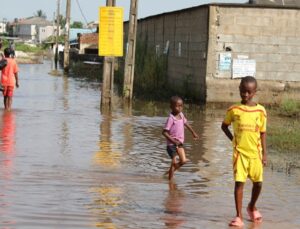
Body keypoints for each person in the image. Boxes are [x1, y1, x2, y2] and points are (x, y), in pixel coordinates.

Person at [221, 76, 267, 227]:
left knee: (258, 183)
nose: (245, 94)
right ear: (239, 89)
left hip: (255, 153)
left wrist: (265, 154)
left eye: (248, 92)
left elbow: (262, 133)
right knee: (239, 183)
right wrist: (233, 140)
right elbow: (224, 126)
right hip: (240, 153)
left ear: (254, 92)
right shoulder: (234, 110)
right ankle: (238, 216)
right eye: (242, 91)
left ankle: (251, 207)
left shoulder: (261, 111)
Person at [162, 96, 199, 180]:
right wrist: (174, 141)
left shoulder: (181, 115)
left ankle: (170, 172)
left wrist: (193, 133)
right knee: (174, 162)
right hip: (171, 145)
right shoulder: (171, 119)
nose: (179, 108)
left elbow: (186, 124)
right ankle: (170, 182)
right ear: (171, 107)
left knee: (183, 161)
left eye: (181, 106)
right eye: (177, 106)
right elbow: (164, 132)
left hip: (180, 143)